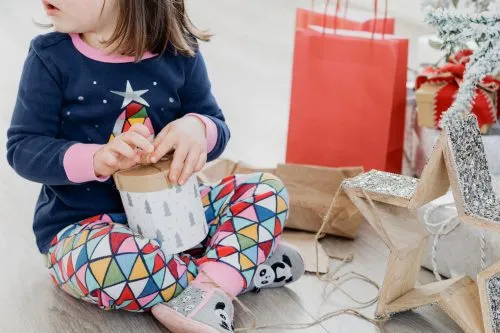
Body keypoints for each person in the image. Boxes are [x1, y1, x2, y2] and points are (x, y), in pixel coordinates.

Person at [6, 1, 304, 332]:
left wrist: (197, 128)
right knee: (113, 263)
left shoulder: (179, 50)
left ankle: (201, 285)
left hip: (183, 217)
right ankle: (231, 269)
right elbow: (24, 148)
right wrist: (94, 159)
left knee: (267, 191)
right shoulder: (50, 57)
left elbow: (217, 127)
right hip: (85, 230)